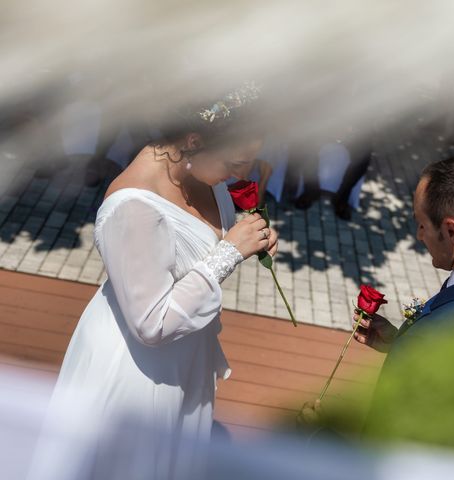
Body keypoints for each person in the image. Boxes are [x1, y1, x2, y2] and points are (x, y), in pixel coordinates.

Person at [39, 84, 277, 476]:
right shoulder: (133, 207)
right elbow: (151, 324)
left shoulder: (196, 169)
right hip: (138, 372)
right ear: (195, 139)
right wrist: (230, 252)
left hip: (185, 354)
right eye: (235, 163)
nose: (242, 175)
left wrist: (250, 239)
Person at [354, 155, 454, 355]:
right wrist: (399, 344)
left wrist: (406, 353)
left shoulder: (430, 337)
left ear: (451, 231)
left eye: (422, 224)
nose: (419, 235)